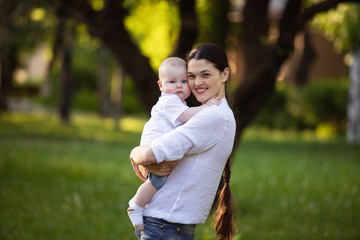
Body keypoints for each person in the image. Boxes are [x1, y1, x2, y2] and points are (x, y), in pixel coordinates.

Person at [130, 43, 236, 240]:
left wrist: (135, 153)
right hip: (164, 224)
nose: (197, 83)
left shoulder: (214, 116)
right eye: (192, 76)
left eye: (205, 75)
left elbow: (152, 153)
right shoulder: (214, 114)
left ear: (225, 74)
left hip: (166, 226)